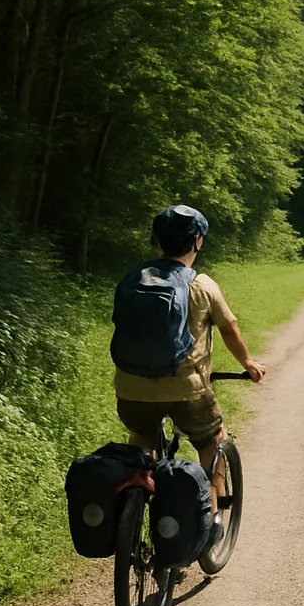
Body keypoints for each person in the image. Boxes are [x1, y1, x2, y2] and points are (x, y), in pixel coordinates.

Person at [113, 205, 266, 541]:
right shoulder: (202, 284)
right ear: (197, 241)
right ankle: (210, 520)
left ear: (156, 241)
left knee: (142, 435)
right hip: (188, 391)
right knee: (213, 440)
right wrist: (249, 364)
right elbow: (229, 329)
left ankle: (134, 501)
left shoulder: (132, 279)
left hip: (131, 388)